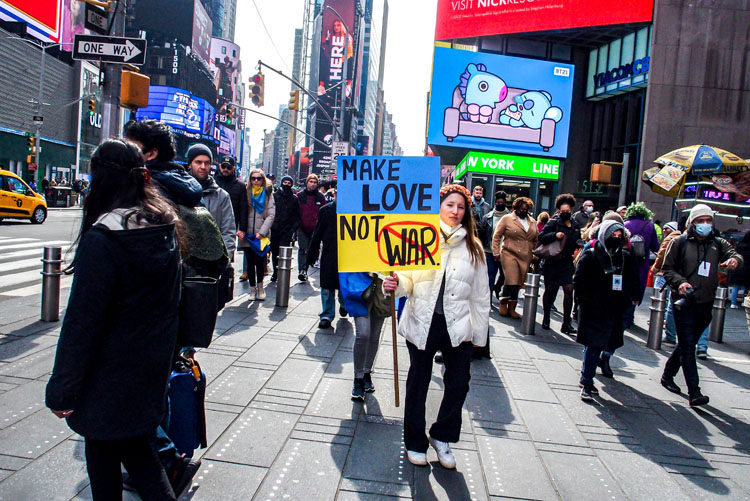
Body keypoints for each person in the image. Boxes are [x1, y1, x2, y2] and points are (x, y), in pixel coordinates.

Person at [45, 139, 183, 500]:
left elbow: (82, 323)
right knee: (138, 452)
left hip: (107, 376)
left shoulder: (104, 238)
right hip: (148, 369)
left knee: (109, 456)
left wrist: (62, 387)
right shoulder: (163, 227)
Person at [383, 184, 489, 470]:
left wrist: (480, 335)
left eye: (461, 207)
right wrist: (394, 284)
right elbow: (406, 280)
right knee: (418, 381)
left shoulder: (474, 248)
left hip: (459, 325)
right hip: (422, 321)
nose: (455, 211)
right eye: (450, 205)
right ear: (438, 206)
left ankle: (442, 436)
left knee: (458, 383)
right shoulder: (420, 238)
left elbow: (481, 295)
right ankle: (414, 441)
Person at [661, 204, 741, 407]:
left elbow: (734, 254)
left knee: (687, 344)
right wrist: (681, 283)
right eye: (700, 221)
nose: (705, 224)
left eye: (708, 220)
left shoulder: (717, 243)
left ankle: (668, 375)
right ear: (692, 223)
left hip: (705, 302)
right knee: (688, 347)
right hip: (684, 302)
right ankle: (694, 391)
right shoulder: (679, 242)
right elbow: (667, 269)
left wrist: (734, 261)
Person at [575, 220, 640, 401]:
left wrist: (631, 297)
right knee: (594, 345)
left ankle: (590, 371)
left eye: (619, 236)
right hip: (594, 308)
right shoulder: (591, 255)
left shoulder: (624, 257)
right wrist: (584, 302)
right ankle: (587, 381)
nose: (616, 239)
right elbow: (579, 281)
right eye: (613, 235)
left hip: (614, 308)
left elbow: (631, 278)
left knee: (607, 343)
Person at [123, 120, 203, 208]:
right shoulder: (183, 186)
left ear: (151, 154)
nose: (123, 152)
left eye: (130, 148)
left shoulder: (144, 189)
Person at [538, 194, 584, 334]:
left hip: (566, 262)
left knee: (569, 289)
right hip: (552, 261)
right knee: (550, 289)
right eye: (563, 211)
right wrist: (555, 235)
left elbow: (577, 238)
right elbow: (541, 237)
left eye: (568, 211)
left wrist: (579, 243)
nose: (566, 213)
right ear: (559, 210)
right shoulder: (553, 222)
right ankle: (546, 317)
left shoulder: (575, 224)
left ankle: (566, 322)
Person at [186, 144, 236, 257]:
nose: (203, 166)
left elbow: (228, 232)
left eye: (207, 163)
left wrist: (225, 259)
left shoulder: (222, 196)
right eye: (198, 162)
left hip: (212, 260)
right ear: (190, 164)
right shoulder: (177, 191)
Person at [492, 196, 538, 319]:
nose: (523, 211)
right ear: (515, 208)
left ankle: (512, 307)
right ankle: (503, 302)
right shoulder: (507, 219)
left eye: (526, 209)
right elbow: (497, 236)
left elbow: (536, 239)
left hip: (526, 255)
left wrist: (535, 252)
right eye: (521, 209)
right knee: (511, 279)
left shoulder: (532, 221)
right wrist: (496, 252)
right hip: (509, 253)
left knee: (519, 282)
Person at [306, 193, 346, 328]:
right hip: (329, 252)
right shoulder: (325, 210)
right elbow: (317, 233)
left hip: (347, 253)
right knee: (327, 285)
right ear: (335, 194)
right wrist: (312, 254)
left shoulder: (353, 209)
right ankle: (327, 314)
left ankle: (344, 304)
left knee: (344, 283)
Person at [348, 273, 389, 401]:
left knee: (374, 335)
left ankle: (367, 372)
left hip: (382, 285)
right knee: (363, 334)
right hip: (359, 283)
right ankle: (358, 377)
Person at [238, 168, 275, 300]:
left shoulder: (268, 193)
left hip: (261, 235)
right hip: (247, 234)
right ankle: (252, 289)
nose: (256, 181)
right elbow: (240, 211)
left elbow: (271, 215)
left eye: (259, 178)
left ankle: (260, 287)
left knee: (260, 262)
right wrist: (240, 229)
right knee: (249, 263)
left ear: (263, 180)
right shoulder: (245, 192)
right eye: (253, 178)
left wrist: (262, 232)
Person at [623, 202, 660, 328]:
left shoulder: (625, 224)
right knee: (637, 287)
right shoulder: (650, 226)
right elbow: (655, 246)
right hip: (642, 263)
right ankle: (630, 315)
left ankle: (623, 315)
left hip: (626, 260)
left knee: (625, 285)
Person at [652, 220, 681, 345]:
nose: (664, 231)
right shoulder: (682, 239)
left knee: (660, 301)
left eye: (666, 228)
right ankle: (668, 330)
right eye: (663, 228)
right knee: (670, 303)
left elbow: (661, 255)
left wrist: (655, 268)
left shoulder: (670, 239)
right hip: (676, 275)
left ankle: (668, 334)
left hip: (663, 274)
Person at [215, 156, 249, 260]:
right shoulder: (212, 182)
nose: (226, 169)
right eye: (224, 166)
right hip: (213, 223)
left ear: (233, 168)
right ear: (220, 166)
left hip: (230, 226)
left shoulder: (240, 186)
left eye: (228, 167)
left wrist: (242, 229)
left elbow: (244, 209)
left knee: (227, 256)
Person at [479, 191, 509, 301]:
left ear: (505, 203)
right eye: (498, 202)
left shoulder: (511, 218)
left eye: (502, 202)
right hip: (489, 251)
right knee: (490, 276)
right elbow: (481, 233)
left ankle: (497, 287)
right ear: (495, 203)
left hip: (505, 252)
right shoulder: (487, 217)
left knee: (505, 275)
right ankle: (489, 300)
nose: (500, 204)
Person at [270, 175, 301, 282]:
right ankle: (275, 271)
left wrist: (292, 229)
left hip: (287, 231)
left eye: (289, 183)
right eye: (285, 182)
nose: (287, 185)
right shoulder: (274, 196)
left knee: (284, 253)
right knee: (274, 252)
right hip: (275, 230)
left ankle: (282, 272)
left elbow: (297, 216)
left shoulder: (294, 199)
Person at [296, 174, 326, 281]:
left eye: (315, 182)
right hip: (301, 227)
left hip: (315, 228)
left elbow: (324, 212)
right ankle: (302, 270)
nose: (312, 184)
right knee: (303, 248)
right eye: (311, 182)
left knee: (311, 249)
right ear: (307, 182)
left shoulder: (321, 197)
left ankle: (307, 266)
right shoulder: (299, 196)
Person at [727, 230, 750, 308]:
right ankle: (744, 301)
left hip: (739, 267)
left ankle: (733, 303)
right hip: (748, 269)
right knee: (747, 287)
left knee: (736, 286)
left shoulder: (739, 245)